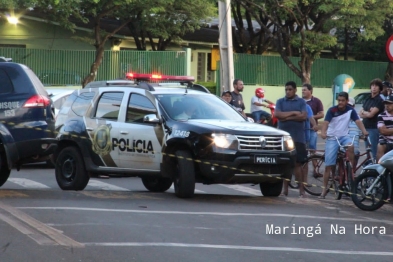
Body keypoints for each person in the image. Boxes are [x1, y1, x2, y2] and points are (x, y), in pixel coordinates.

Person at [319, 92, 368, 199]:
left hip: (344, 137)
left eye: (342, 100)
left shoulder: (351, 110)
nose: (340, 102)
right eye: (339, 100)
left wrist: (364, 131)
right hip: (332, 138)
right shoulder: (332, 110)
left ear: (346, 101)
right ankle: (323, 190)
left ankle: (350, 168)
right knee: (328, 165)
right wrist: (323, 132)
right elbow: (326, 123)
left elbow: (358, 121)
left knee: (351, 146)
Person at [275, 81, 308, 197]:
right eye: (286, 89)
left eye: (290, 89)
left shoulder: (301, 102)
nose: (288, 91)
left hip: (298, 137)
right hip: (284, 138)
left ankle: (301, 190)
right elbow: (277, 115)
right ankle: (285, 190)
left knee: (298, 164)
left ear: (295, 90)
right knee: (286, 163)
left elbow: (303, 116)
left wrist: (286, 117)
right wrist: (294, 113)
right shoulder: (280, 101)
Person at [358, 78, 385, 160]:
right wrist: (367, 112)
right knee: (368, 150)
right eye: (372, 85)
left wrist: (365, 113)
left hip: (374, 128)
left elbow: (371, 115)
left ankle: (375, 168)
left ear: (380, 88)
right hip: (365, 127)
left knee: (374, 151)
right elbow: (360, 113)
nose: (374, 87)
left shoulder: (379, 100)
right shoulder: (367, 99)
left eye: (376, 86)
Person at [302, 83, 324, 176]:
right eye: (302, 90)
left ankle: (315, 170)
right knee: (303, 150)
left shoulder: (317, 101)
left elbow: (322, 114)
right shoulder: (300, 101)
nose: (303, 92)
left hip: (312, 129)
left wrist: (311, 116)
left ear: (310, 91)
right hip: (302, 130)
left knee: (312, 149)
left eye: (305, 90)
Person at [376, 95, 393, 161]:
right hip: (385, 141)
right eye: (385, 103)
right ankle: (379, 168)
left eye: (389, 103)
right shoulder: (381, 116)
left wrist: (388, 130)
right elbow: (383, 131)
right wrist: (386, 131)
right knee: (380, 146)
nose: (387, 105)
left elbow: (386, 131)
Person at [348, 97, 362, 167]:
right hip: (342, 147)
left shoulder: (359, 119)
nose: (348, 108)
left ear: (354, 106)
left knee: (356, 153)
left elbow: (361, 134)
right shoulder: (340, 117)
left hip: (355, 148)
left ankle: (352, 173)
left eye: (350, 106)